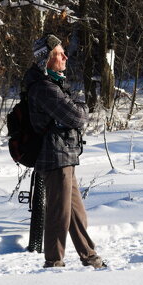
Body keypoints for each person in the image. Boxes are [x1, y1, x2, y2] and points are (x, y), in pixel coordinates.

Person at [25, 34, 106, 270]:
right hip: (54, 156)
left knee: (75, 213)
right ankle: (53, 262)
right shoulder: (44, 88)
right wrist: (79, 107)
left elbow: (74, 112)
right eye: (59, 54)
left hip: (65, 154)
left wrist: (76, 106)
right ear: (47, 59)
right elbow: (76, 116)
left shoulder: (55, 84)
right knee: (59, 214)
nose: (65, 57)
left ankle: (90, 257)